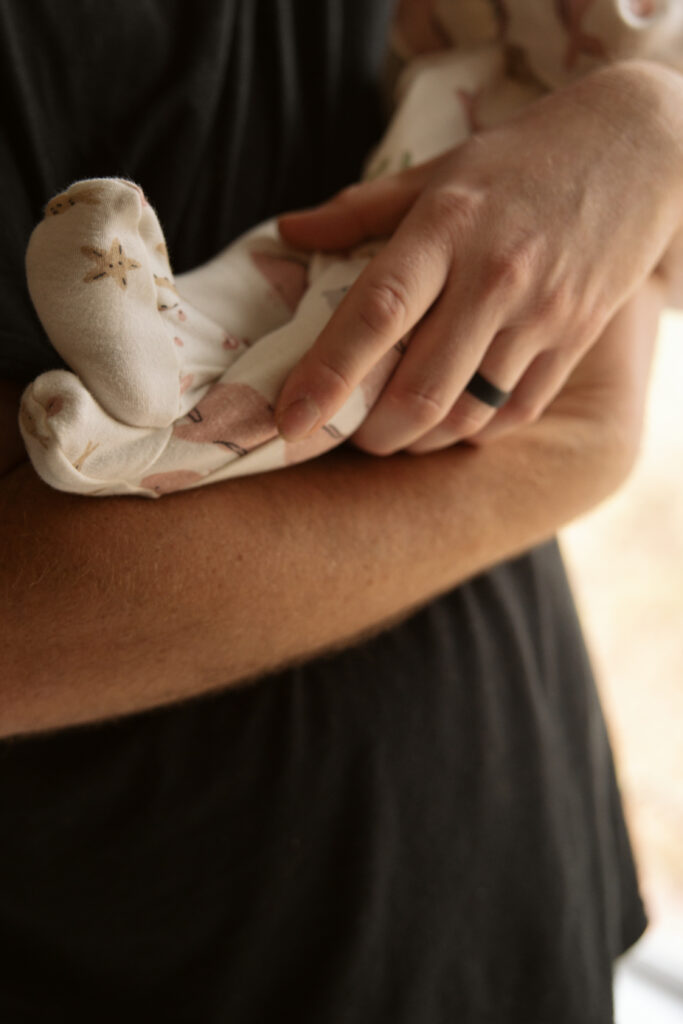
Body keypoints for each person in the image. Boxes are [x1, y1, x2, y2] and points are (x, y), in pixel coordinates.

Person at [0, 1, 681, 1020]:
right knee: (323, 335)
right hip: (160, 968)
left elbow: (581, 350)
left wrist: (649, 117)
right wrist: (560, 457)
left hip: (526, 918)